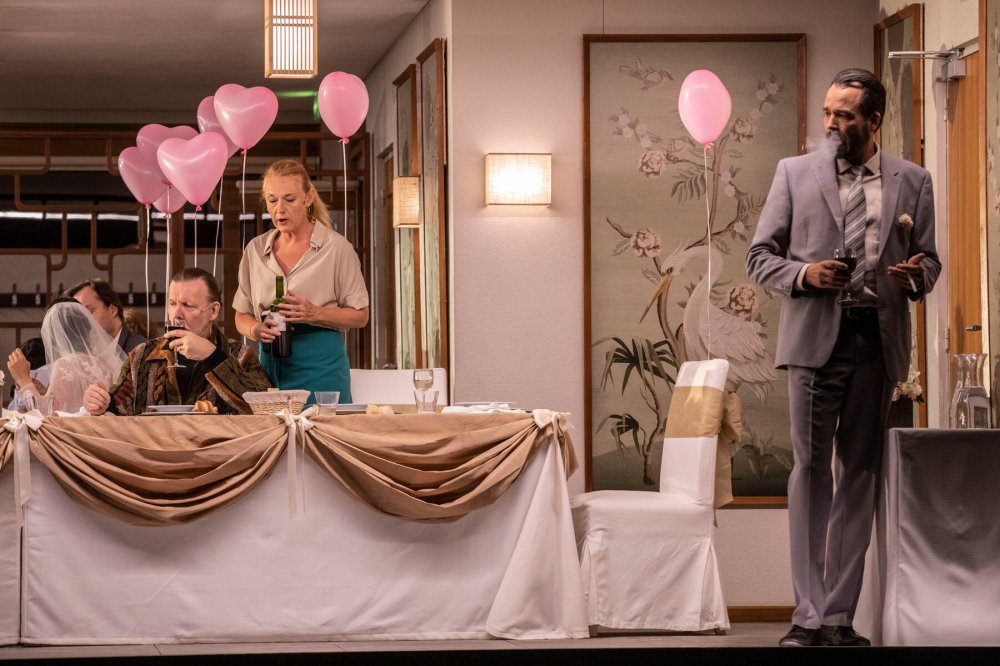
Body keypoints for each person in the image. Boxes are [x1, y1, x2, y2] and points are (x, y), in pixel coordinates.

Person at [746, 68, 940, 647]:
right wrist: (805, 274)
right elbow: (759, 257)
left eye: (845, 115)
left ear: (873, 120)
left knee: (860, 474)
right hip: (814, 345)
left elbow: (929, 260)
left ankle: (838, 619)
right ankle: (806, 616)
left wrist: (916, 276)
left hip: (876, 344)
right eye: (828, 112)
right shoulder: (793, 173)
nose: (832, 123)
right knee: (811, 473)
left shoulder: (913, 180)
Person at [233, 159, 369, 403]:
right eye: (272, 200)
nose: (279, 209)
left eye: (289, 199)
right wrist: (255, 329)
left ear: (309, 197)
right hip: (270, 369)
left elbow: (360, 316)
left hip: (322, 369)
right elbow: (241, 315)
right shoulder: (255, 250)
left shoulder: (337, 248)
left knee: (322, 427)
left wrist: (315, 313)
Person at [82, 267, 272, 415]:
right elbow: (119, 407)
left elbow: (265, 408)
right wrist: (101, 404)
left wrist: (213, 357)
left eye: (188, 305)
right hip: (155, 451)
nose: (176, 314)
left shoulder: (240, 355)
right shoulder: (143, 354)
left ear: (213, 311)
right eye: (172, 304)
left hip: (217, 451)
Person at [7, 299, 126, 414]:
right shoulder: (105, 365)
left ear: (56, 336)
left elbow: (46, 414)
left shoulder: (65, 364)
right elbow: (72, 405)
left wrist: (23, 379)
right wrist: (44, 392)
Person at [65, 279, 147, 353]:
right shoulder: (86, 353)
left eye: (89, 311)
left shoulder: (142, 350)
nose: (84, 320)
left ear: (113, 310)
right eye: (80, 315)